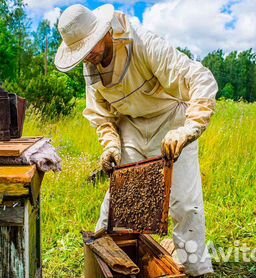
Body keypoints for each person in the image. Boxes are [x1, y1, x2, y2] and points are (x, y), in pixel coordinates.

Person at [55, 4, 218, 277]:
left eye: (92, 46)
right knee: (117, 205)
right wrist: (111, 146)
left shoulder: (144, 43)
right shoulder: (90, 66)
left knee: (184, 204)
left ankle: (195, 269)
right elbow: (102, 116)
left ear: (106, 31)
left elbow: (199, 78)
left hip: (171, 120)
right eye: (83, 52)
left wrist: (189, 128)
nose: (90, 55)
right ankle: (103, 265)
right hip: (130, 125)